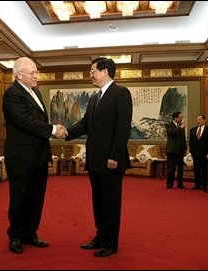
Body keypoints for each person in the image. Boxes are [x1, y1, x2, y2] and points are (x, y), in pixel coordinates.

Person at [65, 57, 132, 257]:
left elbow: (122, 128)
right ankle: (100, 236)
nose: (91, 74)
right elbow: (84, 124)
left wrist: (114, 156)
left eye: (93, 70)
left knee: (111, 203)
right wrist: (65, 132)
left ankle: (111, 243)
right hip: (94, 160)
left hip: (111, 160)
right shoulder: (95, 98)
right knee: (98, 201)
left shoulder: (121, 93)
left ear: (104, 71)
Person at [2, 57, 67, 254]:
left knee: (36, 197)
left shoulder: (36, 92)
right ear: (19, 75)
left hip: (38, 155)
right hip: (21, 157)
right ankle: (15, 236)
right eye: (32, 73)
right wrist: (54, 129)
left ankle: (30, 233)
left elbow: (37, 121)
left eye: (36, 72)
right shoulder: (12, 94)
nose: (36, 76)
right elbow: (25, 122)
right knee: (20, 197)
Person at [189, 115, 208, 190]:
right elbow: (191, 142)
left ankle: (204, 185)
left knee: (204, 169)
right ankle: (197, 185)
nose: (198, 121)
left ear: (204, 120)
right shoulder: (193, 130)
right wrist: (190, 151)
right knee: (196, 169)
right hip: (195, 153)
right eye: (197, 119)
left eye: (199, 119)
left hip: (204, 153)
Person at [165, 111, 187, 189]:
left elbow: (183, 138)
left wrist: (185, 148)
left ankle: (180, 184)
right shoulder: (169, 125)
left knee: (180, 168)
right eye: (180, 117)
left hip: (180, 151)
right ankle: (169, 184)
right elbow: (171, 133)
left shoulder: (181, 125)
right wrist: (181, 128)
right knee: (171, 168)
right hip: (172, 150)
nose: (182, 119)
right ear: (175, 118)